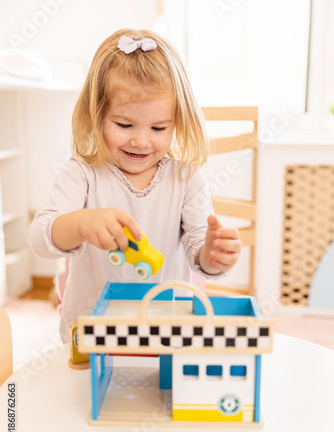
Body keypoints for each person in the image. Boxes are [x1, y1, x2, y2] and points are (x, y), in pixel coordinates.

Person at [28, 28, 241, 343]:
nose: (141, 140)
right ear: (96, 114)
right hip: (89, 334)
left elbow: (199, 250)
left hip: (164, 331)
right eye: (124, 124)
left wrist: (212, 255)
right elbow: (40, 239)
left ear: (177, 122)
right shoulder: (82, 174)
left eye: (158, 127)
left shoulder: (186, 180)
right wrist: (81, 223)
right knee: (81, 393)